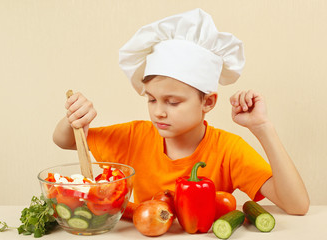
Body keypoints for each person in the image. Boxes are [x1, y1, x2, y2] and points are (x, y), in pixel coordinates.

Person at [53, 9, 309, 215]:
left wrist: (262, 128)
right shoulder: (134, 136)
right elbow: (63, 140)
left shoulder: (229, 149)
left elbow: (297, 205)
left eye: (172, 102)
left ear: (208, 102)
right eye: (152, 100)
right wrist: (75, 118)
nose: (158, 113)